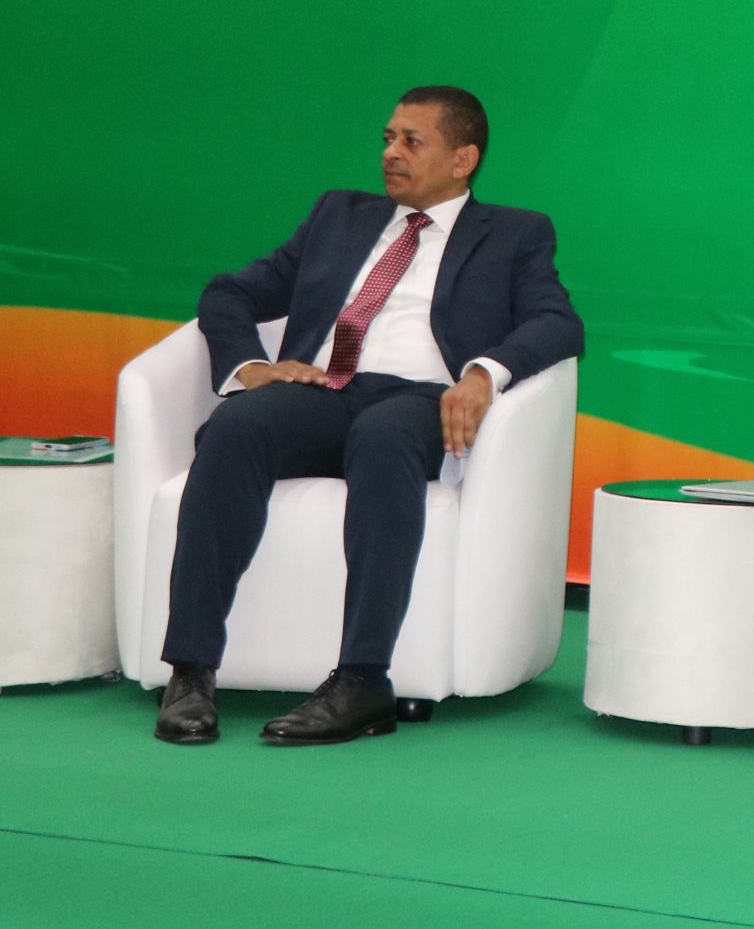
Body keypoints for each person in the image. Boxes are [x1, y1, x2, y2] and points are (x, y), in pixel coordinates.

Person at [153, 86, 582, 746]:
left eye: (411, 140)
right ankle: (190, 670)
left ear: (463, 158)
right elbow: (230, 292)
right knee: (238, 425)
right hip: (323, 389)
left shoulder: (515, 234)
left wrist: (482, 373)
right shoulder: (339, 215)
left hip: (416, 399)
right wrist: (251, 368)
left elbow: (557, 322)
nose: (390, 152)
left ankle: (362, 679)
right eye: (387, 138)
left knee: (382, 438)